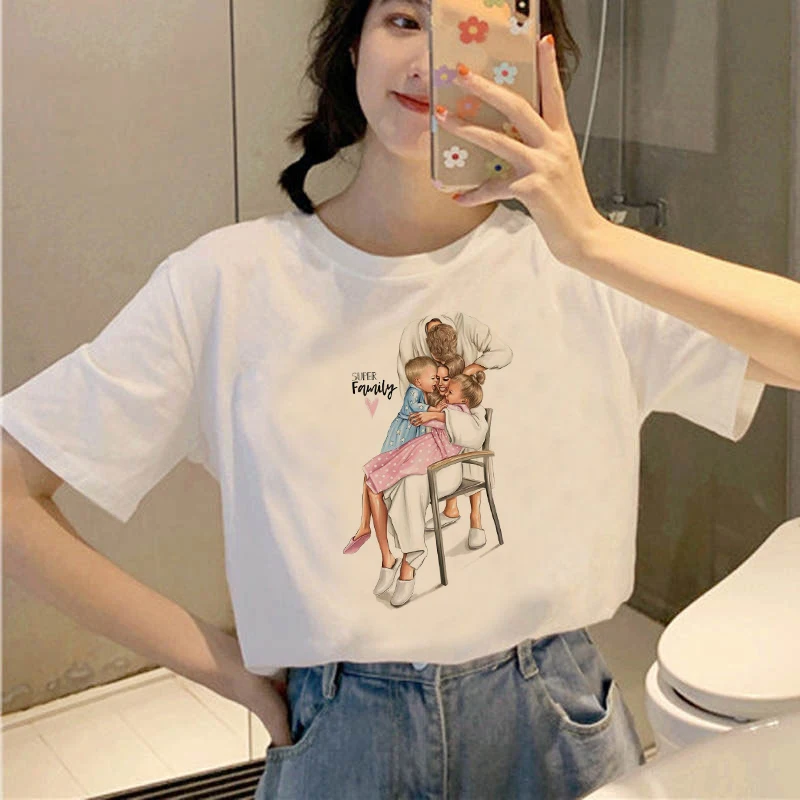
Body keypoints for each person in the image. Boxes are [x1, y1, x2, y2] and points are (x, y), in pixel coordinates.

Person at [3, 0, 800, 798]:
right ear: (353, 46)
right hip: (342, 735)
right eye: (405, 20)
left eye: (470, 25)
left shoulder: (586, 273)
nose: (430, 61)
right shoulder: (228, 284)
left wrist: (590, 240)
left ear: (528, 66)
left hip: (556, 723)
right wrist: (223, 667)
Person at [363, 371, 486, 607]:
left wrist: (436, 415)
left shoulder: (465, 412)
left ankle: (409, 562)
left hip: (444, 468)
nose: (444, 390)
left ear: (463, 398)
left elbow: (467, 430)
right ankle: (388, 557)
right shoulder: (445, 406)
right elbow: (427, 418)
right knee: (377, 481)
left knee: (406, 484)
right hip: (425, 458)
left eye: (450, 389)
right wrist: (430, 414)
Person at [379, 355, 440, 454]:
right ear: (418, 382)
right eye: (433, 378)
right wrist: (434, 409)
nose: (436, 381)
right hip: (406, 426)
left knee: (413, 450)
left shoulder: (419, 391)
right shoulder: (413, 391)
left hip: (413, 424)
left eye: (436, 378)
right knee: (403, 448)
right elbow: (414, 406)